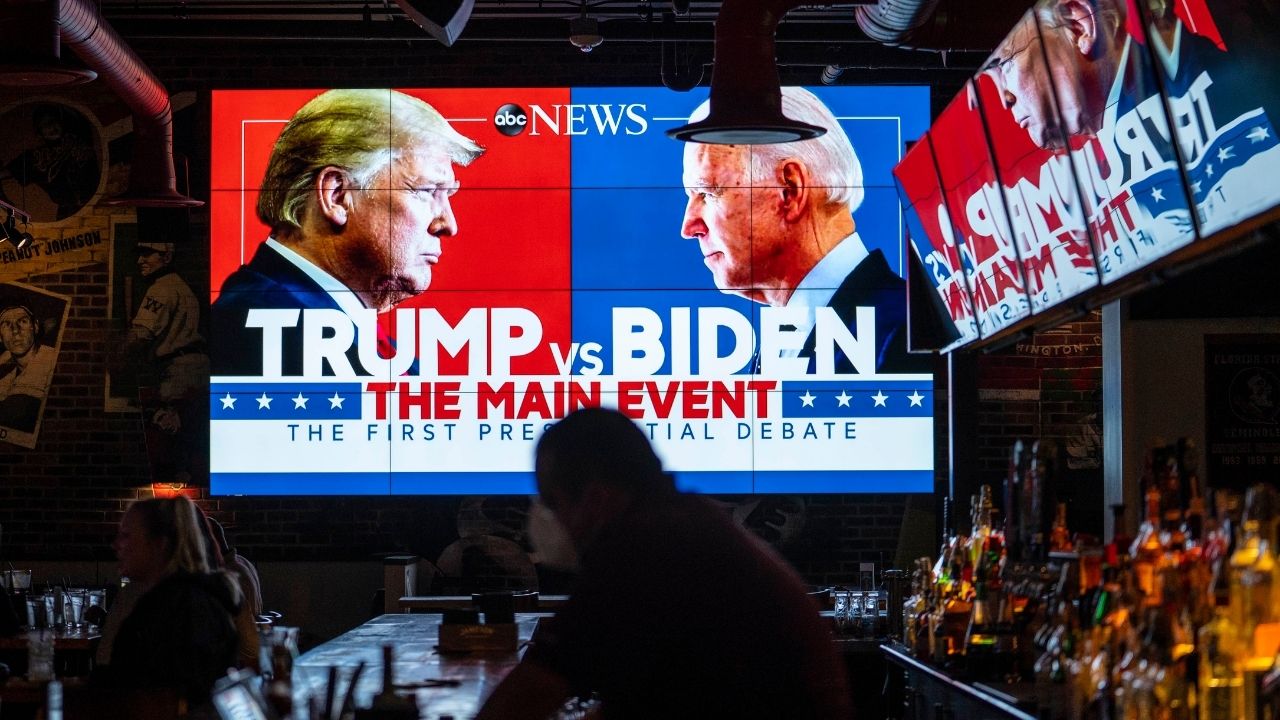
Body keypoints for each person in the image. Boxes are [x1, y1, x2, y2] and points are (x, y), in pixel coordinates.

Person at [475, 408, 851, 720]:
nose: (547, 519)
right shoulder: (680, 521)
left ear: (595, 497)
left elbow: (536, 688)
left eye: (553, 502)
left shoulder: (646, 548)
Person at [210, 88, 484, 376]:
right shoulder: (275, 330)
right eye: (427, 191)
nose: (448, 224)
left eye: (447, 194)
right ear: (338, 195)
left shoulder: (308, 324)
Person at [680, 87, 928, 375]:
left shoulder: (904, 332)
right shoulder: (783, 336)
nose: (689, 226)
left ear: (790, 190)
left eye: (708, 193)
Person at [98, 496, 242, 710]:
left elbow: (145, 697)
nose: (117, 544)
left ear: (160, 545)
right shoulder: (203, 598)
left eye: (126, 536)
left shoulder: (166, 612)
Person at [125, 239, 210, 481]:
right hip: (196, 366)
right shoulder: (181, 287)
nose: (140, 260)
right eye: (139, 254)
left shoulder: (162, 288)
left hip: (179, 370)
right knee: (192, 438)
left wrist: (115, 357)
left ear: (166, 257)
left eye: (148, 254)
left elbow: (138, 337)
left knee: (167, 435)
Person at [0, 304, 57, 433]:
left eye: (23, 321)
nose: (15, 330)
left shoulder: (52, 360)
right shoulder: (6, 377)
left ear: (35, 327)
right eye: (6, 324)